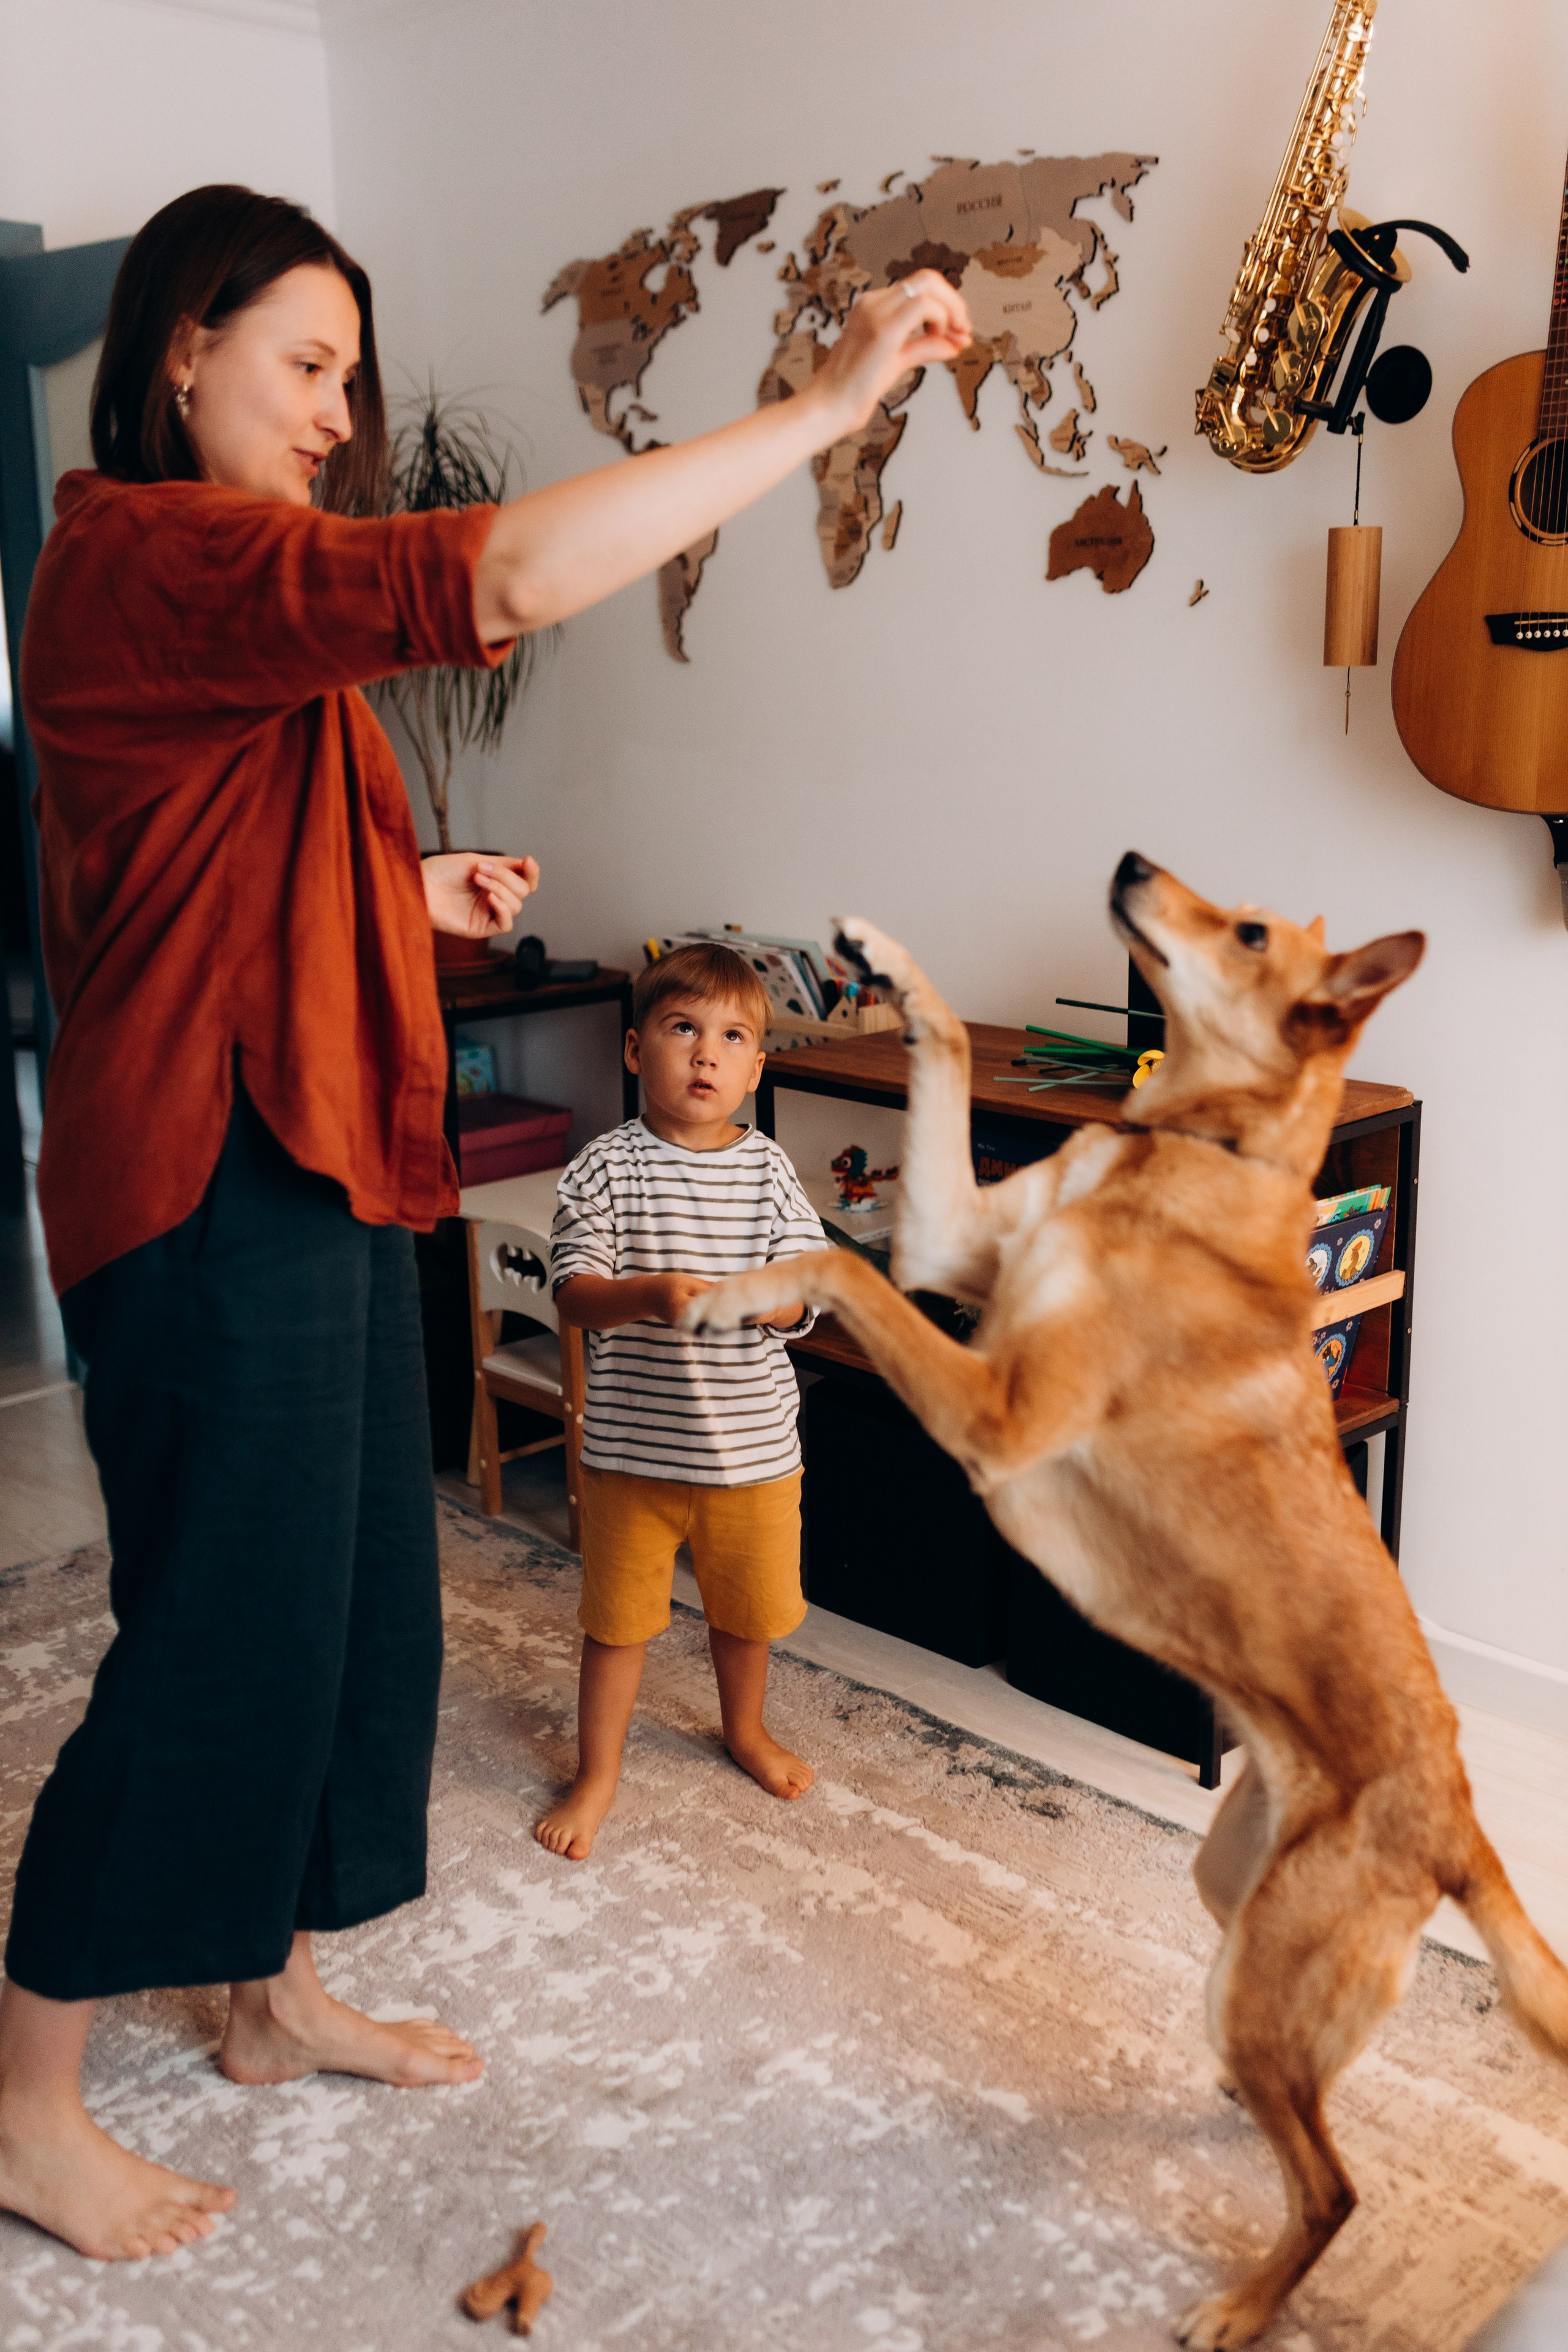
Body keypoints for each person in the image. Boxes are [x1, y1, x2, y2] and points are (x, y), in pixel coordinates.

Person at [0, 183, 970, 2264]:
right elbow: (502, 564)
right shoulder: (142, 557)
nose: (346, 412)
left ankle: (268, 1996)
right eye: (308, 364)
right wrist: (818, 403)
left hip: (330, 1151)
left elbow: (212, 867)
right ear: (181, 352)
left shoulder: (246, 614)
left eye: (357, 374)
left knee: (349, 1603)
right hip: (200, 1180)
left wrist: (409, 899)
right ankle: (22, 2106)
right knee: (211, 1633)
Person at [536, 943, 826, 1862]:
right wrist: (649, 1293)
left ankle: (743, 1731)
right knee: (616, 1626)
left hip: (752, 1458)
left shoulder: (769, 1170)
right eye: (682, 1029)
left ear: (755, 1067)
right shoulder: (603, 1168)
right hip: (633, 1458)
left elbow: (806, 1291)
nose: (706, 1054)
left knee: (747, 1615)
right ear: (635, 1051)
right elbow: (573, 1295)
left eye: (732, 1036)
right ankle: (597, 1775)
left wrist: (765, 1298)